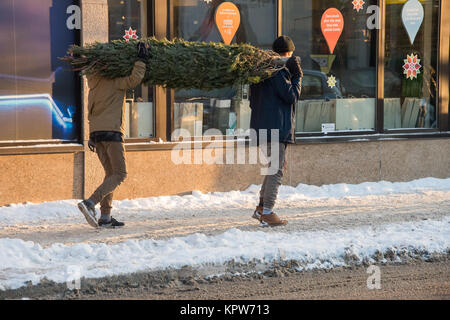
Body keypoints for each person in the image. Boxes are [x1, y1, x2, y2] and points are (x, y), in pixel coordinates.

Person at [77, 42, 148, 228]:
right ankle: (90, 203)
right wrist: (141, 59)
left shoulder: (93, 85)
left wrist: (92, 135)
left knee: (110, 174)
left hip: (97, 135)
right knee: (120, 174)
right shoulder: (115, 82)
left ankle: (105, 218)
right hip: (113, 133)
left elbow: (91, 111)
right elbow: (134, 79)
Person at [249, 35, 303, 227]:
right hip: (276, 128)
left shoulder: (260, 70)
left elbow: (251, 101)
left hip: (262, 127)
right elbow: (291, 96)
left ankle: (261, 207)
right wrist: (297, 76)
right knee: (276, 171)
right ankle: (268, 213)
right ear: (288, 54)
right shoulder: (277, 71)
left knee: (273, 168)